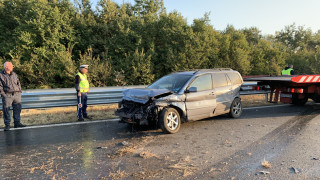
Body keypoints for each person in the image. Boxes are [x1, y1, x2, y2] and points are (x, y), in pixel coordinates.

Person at [0, 62, 26, 131]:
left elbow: (18, 83)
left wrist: (19, 91)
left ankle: (17, 123)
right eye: (11, 66)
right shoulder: (1, 75)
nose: (12, 67)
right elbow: (0, 87)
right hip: (7, 95)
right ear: (6, 67)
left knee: (17, 109)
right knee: (6, 110)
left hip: (16, 94)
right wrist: (3, 95)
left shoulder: (14, 74)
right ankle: (7, 125)